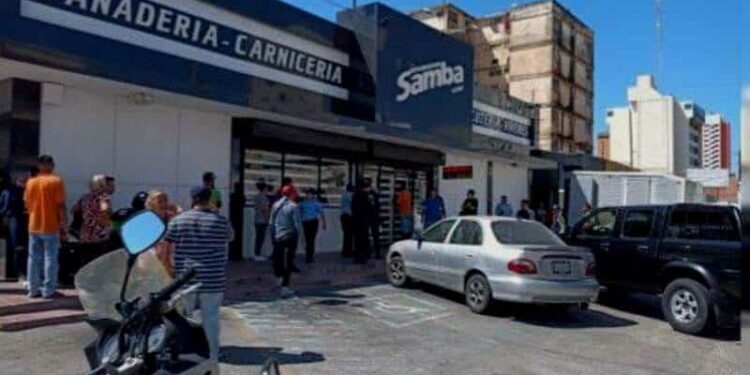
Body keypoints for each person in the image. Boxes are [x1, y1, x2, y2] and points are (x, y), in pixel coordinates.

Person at [164, 187, 233, 362]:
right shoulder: (220, 221)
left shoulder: (178, 220)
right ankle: (213, 353)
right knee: (211, 316)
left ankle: (186, 351)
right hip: (213, 277)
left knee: (184, 316)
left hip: (185, 278)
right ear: (209, 199)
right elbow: (230, 237)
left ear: (192, 199)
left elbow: (166, 245)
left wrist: (168, 267)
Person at [24, 155, 66, 299]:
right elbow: (60, 205)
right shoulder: (56, 181)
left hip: (34, 224)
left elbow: (27, 204)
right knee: (50, 257)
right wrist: (64, 224)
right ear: (49, 165)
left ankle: (33, 289)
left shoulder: (31, 182)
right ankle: (48, 290)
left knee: (33, 258)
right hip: (50, 225)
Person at [71, 175, 113, 267]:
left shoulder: (85, 197)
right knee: (98, 262)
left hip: (85, 234)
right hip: (99, 236)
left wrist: (87, 216)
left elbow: (73, 210)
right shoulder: (103, 198)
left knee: (85, 262)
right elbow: (105, 211)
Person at [270, 185, 302, 296]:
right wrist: (301, 239)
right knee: (289, 261)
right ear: (292, 194)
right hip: (290, 235)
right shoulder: (294, 206)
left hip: (278, 235)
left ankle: (278, 277)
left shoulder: (275, 205)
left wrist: (272, 236)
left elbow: (271, 222)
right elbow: (297, 224)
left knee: (278, 258)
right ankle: (285, 286)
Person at [146, 190, 181, 274]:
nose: (164, 204)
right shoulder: (147, 221)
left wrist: (178, 212)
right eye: (160, 201)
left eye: (165, 200)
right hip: (152, 262)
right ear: (151, 204)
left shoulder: (172, 218)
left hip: (170, 262)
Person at [299, 188, 326, 264]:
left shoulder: (316, 203)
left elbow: (321, 213)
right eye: (307, 194)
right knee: (307, 239)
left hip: (313, 222)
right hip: (305, 223)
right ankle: (308, 255)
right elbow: (299, 212)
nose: (308, 195)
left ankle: (309, 256)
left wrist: (324, 223)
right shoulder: (302, 203)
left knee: (311, 239)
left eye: (310, 194)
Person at [351, 179, 374, 264]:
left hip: (356, 221)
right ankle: (362, 257)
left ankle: (357, 257)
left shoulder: (355, 196)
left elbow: (353, 209)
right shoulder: (365, 197)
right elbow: (369, 208)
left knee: (357, 240)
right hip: (363, 221)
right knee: (363, 240)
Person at [252, 180, 270, 261]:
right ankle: (257, 254)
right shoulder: (263, 197)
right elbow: (265, 209)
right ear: (264, 188)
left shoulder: (256, 196)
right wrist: (267, 219)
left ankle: (257, 253)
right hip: (262, 220)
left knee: (258, 237)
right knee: (260, 237)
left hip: (257, 219)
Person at [340, 184, 354, 258]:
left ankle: (346, 251)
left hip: (344, 216)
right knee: (349, 235)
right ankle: (347, 251)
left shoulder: (344, 195)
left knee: (346, 234)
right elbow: (353, 202)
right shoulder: (350, 195)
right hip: (349, 217)